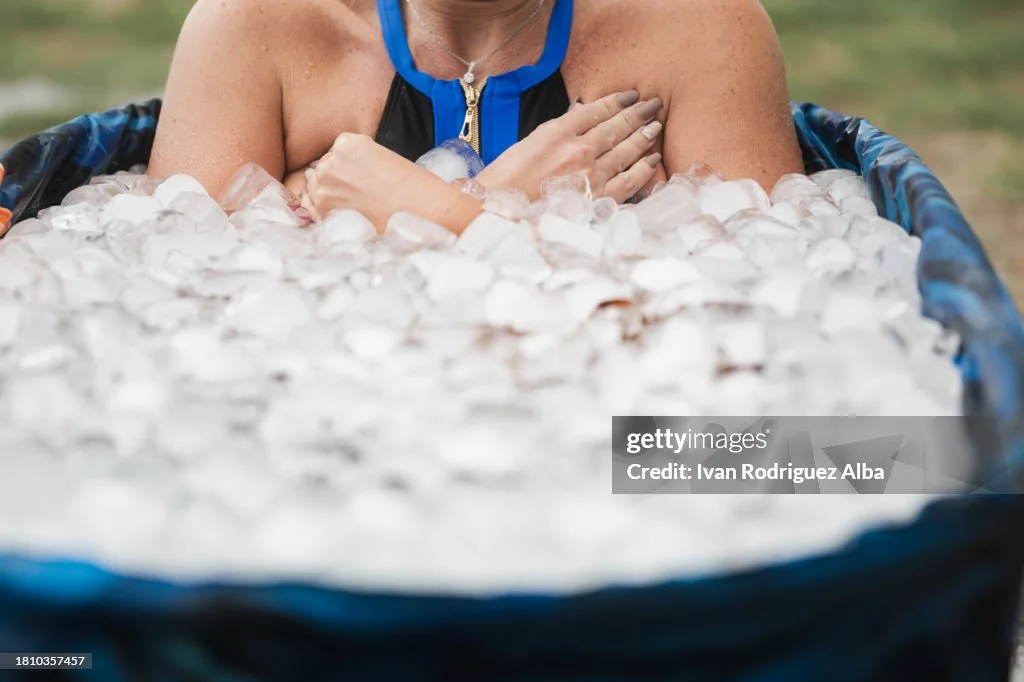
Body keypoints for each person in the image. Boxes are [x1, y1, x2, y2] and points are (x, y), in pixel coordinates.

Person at [149, 0, 804, 232]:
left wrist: (434, 214)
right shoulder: (253, 27)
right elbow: (187, 314)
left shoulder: (699, 27)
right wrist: (495, 211)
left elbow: (757, 318)